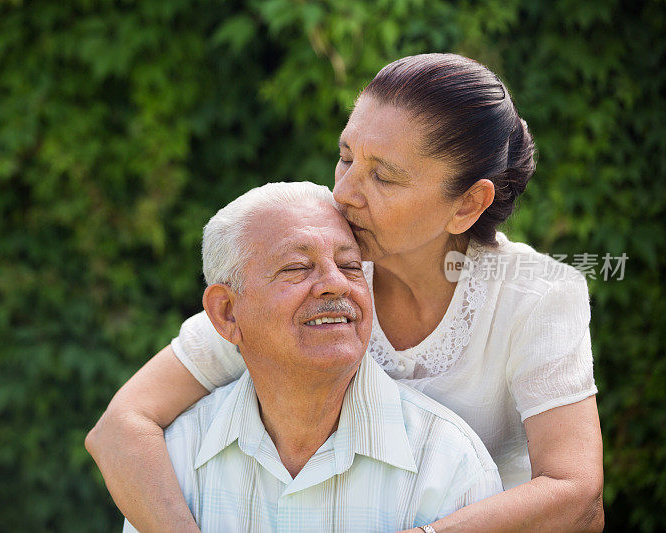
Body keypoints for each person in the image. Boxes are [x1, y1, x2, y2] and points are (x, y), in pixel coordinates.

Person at [87, 53, 604, 532]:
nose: (344, 192)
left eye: (384, 176)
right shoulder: (322, 281)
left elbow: (578, 496)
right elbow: (120, 427)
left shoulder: (535, 297)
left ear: (467, 204)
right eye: (346, 156)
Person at [122, 181, 501, 532]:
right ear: (227, 313)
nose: (336, 282)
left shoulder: (449, 463)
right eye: (297, 268)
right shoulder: (173, 462)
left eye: (351, 266)